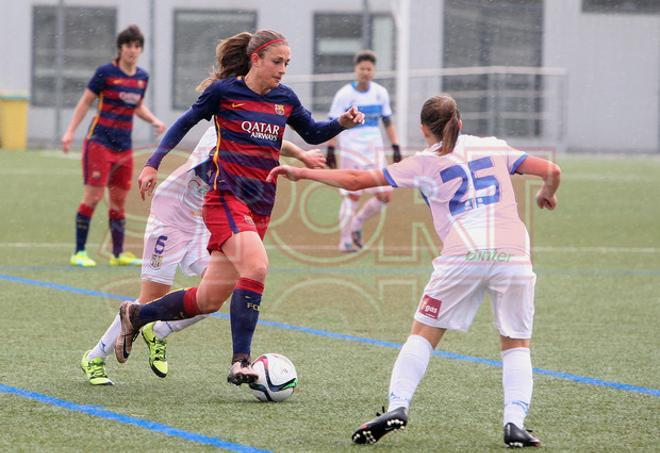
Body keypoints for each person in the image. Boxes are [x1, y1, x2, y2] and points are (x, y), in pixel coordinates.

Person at [268, 94, 561, 448]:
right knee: (515, 342)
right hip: (514, 254)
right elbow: (552, 170)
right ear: (461, 121)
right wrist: (547, 193)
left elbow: (359, 181)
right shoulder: (493, 147)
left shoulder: (423, 163)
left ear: (423, 129)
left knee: (423, 332)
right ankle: (515, 422)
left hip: (463, 255)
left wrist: (301, 171)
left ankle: (398, 406)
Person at [111, 29, 365, 385]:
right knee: (257, 266)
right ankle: (240, 362)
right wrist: (153, 162)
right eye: (277, 61)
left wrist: (342, 122)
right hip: (225, 200)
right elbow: (184, 123)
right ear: (255, 59)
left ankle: (136, 316)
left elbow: (312, 132)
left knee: (209, 299)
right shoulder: (224, 93)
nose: (282, 69)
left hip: (260, 206)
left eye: (287, 63)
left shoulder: (284, 98)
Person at [80, 126, 325, 385]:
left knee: (216, 290)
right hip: (170, 219)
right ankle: (95, 357)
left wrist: (301, 154)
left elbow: (275, 141)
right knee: (151, 297)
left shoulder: (248, 131)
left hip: (201, 224)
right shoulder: (220, 129)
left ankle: (159, 330)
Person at [62, 25, 166, 268]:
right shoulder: (105, 72)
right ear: (120, 48)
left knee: (119, 200)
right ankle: (79, 251)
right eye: (128, 45)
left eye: (137, 46)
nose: (132, 50)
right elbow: (85, 102)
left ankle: (118, 254)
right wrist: (69, 132)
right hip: (99, 143)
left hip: (123, 147)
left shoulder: (142, 77)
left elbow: (136, 106)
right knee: (94, 196)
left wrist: (154, 120)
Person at [325, 50, 401, 252]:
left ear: (373, 71)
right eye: (362, 68)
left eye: (369, 69)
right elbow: (333, 122)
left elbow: (387, 122)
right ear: (355, 70)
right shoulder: (344, 95)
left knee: (386, 194)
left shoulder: (380, 93)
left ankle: (357, 223)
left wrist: (395, 147)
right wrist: (331, 149)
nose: (365, 72)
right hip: (351, 151)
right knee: (352, 195)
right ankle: (345, 241)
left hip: (374, 151)